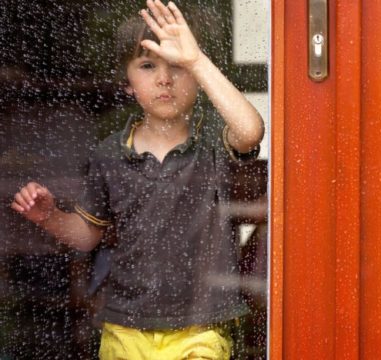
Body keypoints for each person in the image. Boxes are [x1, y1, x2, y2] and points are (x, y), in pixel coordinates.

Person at [10, 0, 264, 358]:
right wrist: (49, 216)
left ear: (196, 75)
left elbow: (250, 130)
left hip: (202, 325)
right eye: (147, 65)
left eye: (177, 66)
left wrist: (196, 59)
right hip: (127, 325)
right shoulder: (110, 154)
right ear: (128, 83)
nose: (164, 78)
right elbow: (86, 236)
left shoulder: (211, 142)